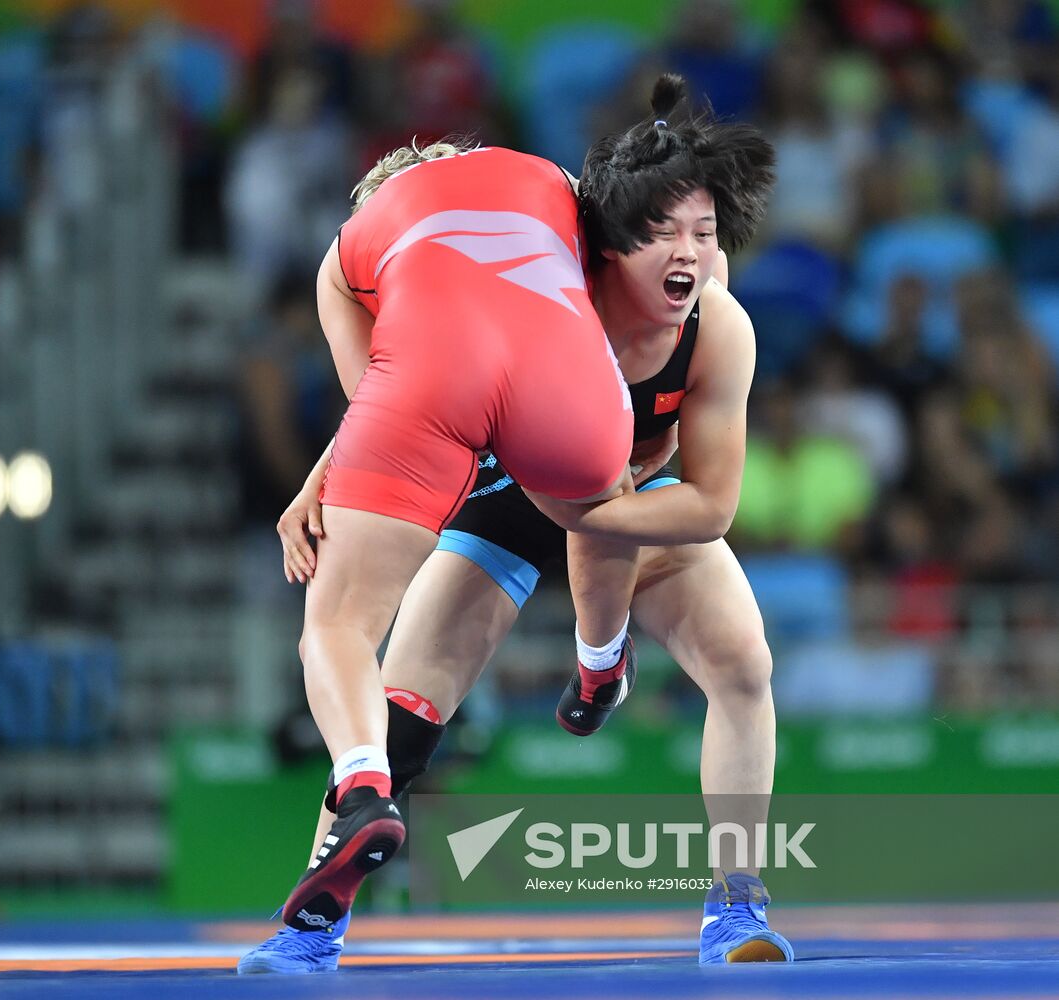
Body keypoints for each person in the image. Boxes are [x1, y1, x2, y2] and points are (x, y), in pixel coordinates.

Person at [240, 75, 790, 974]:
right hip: (505, 495)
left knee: (741, 661)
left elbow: (712, 500)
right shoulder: (554, 246)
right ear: (607, 240)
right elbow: (410, 376)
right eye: (665, 234)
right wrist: (326, 474)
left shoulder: (713, 316)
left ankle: (734, 901)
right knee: (398, 714)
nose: (688, 258)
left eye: (702, 234)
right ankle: (310, 926)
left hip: (626, 500)